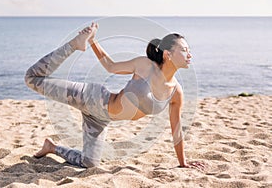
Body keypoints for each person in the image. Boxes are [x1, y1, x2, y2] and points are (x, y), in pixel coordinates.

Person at [24, 22, 204, 170]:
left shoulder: (176, 92)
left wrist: (183, 163)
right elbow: (110, 66)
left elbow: (176, 129)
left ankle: (51, 147)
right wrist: (92, 42)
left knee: (89, 164)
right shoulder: (145, 65)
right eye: (184, 50)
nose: (190, 55)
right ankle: (74, 44)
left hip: (100, 120)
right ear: (168, 54)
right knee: (32, 78)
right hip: (92, 98)